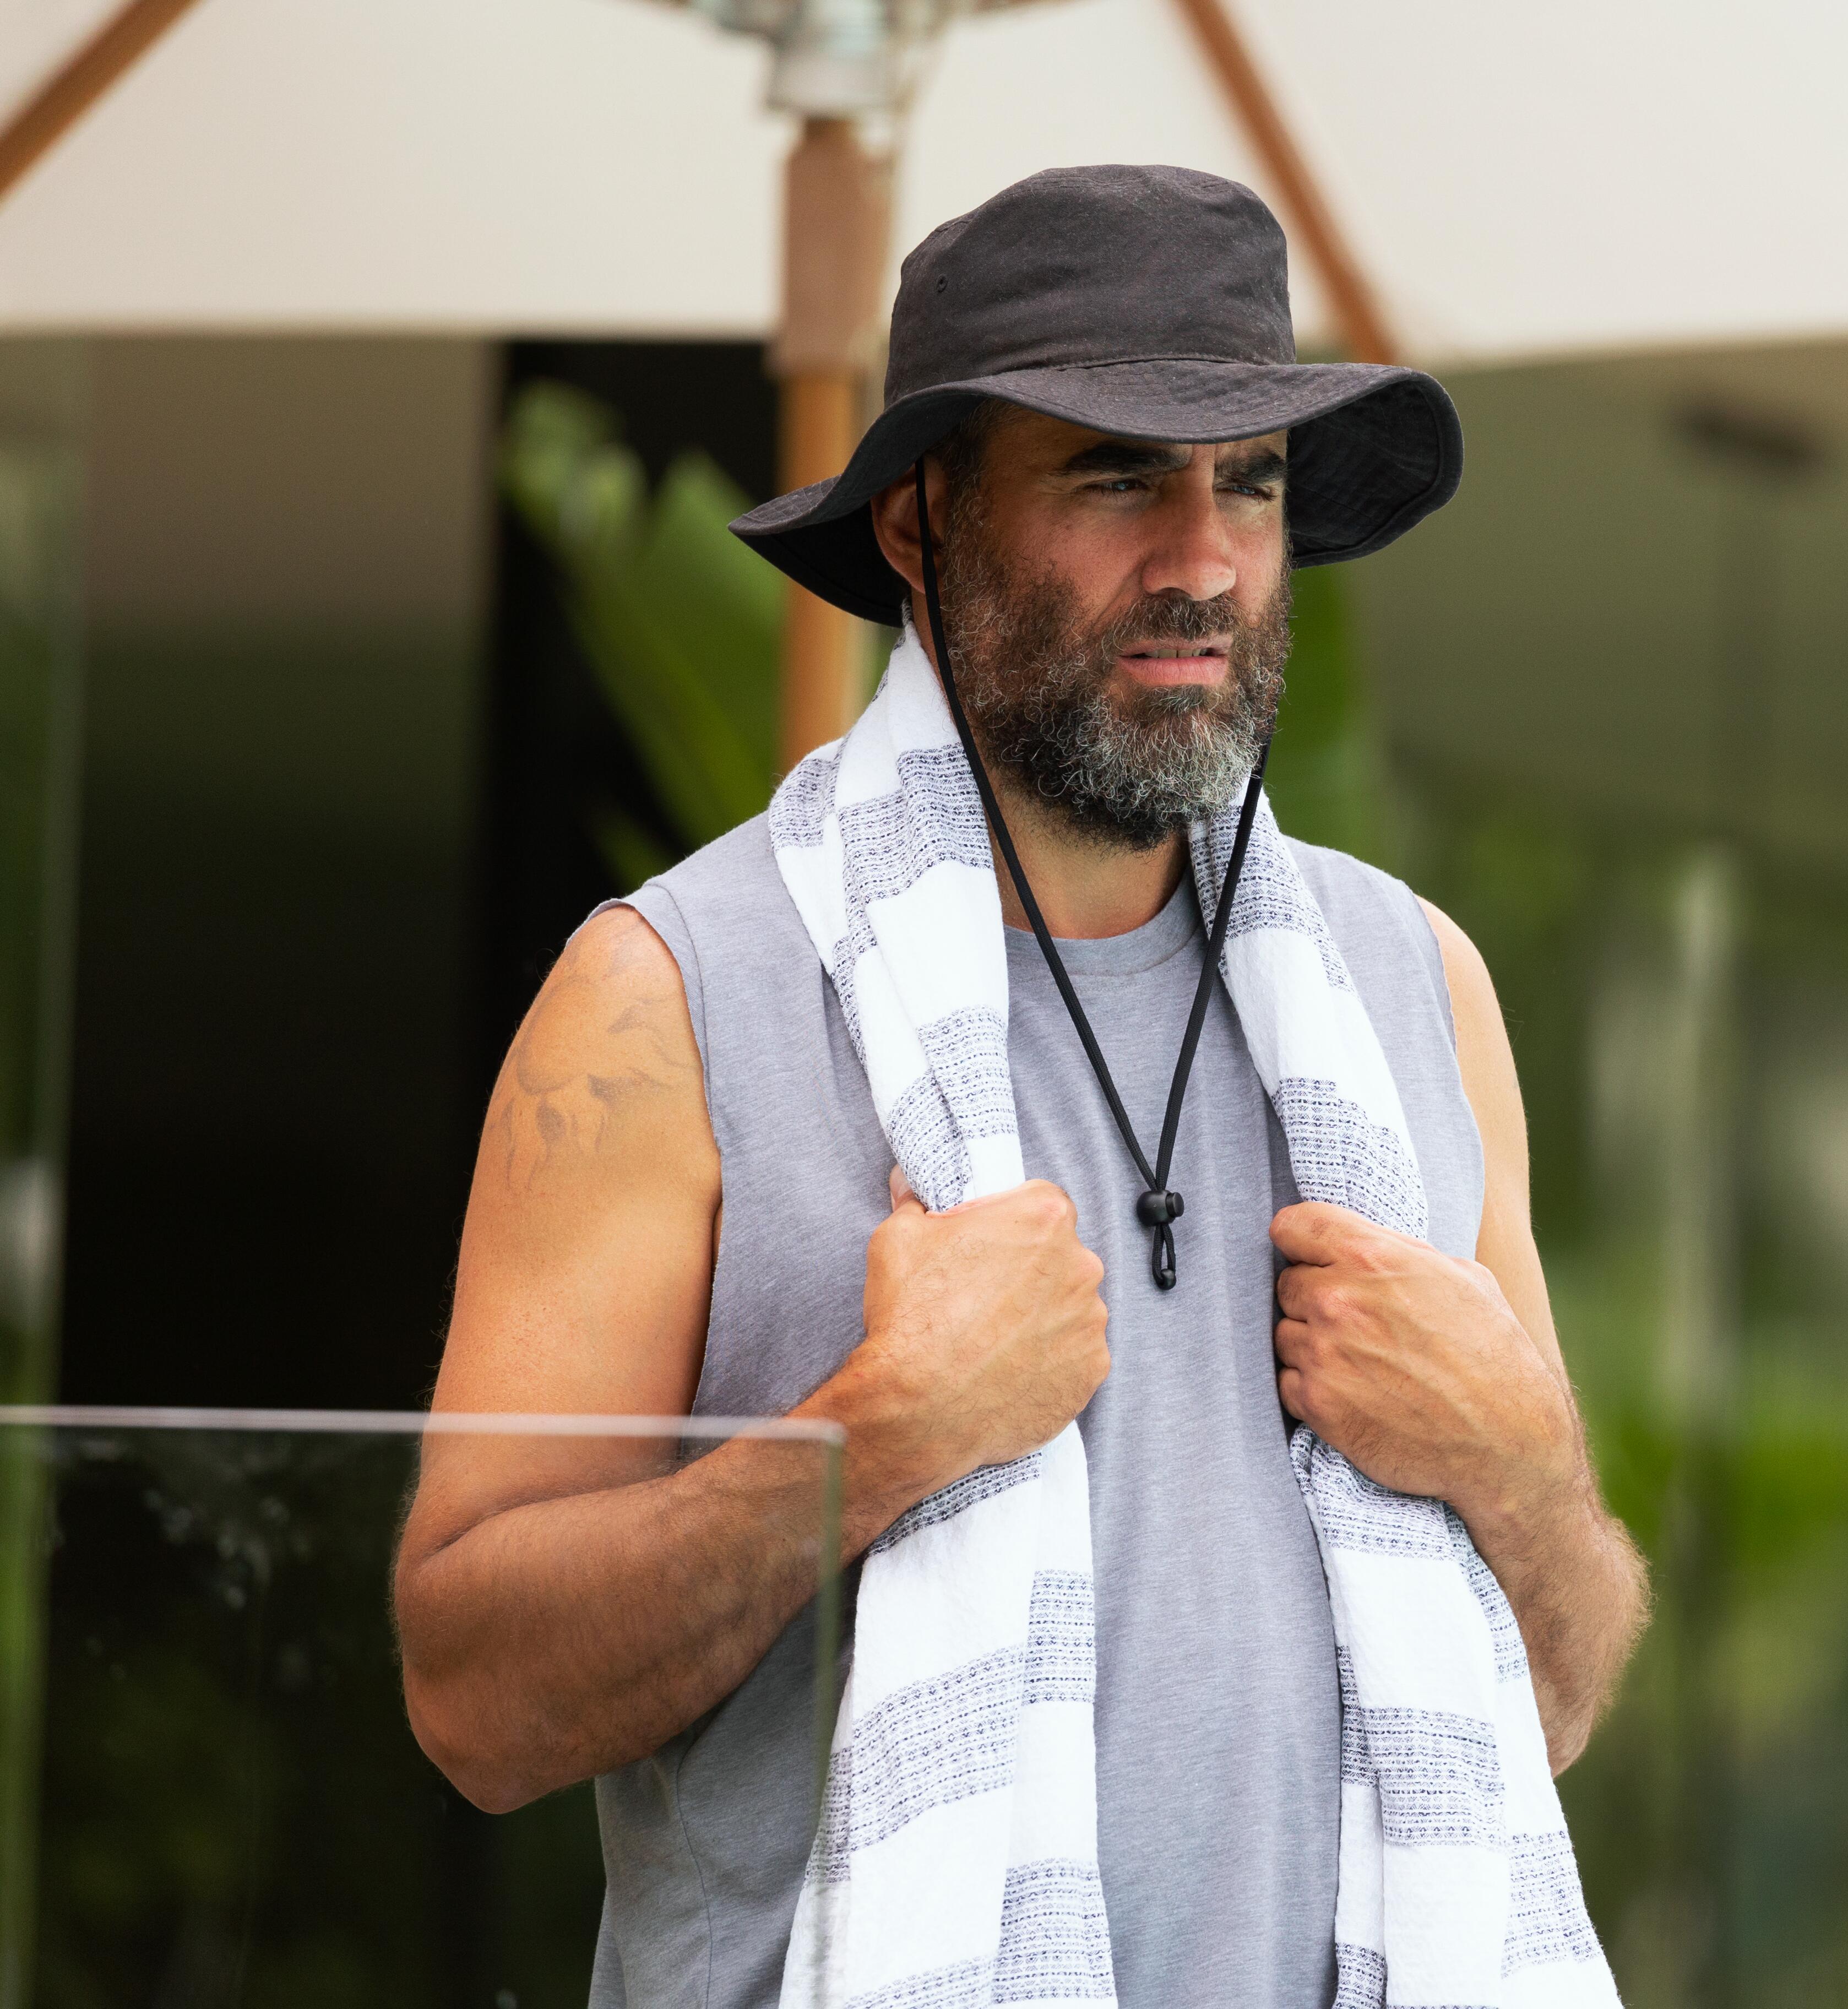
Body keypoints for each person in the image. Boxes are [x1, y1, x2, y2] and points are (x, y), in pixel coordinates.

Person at [395, 166, 1649, 2009]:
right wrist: (867, 1447)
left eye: (1252, 484)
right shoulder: (671, 1001)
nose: (1202, 560)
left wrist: (1526, 1474)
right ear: (919, 526)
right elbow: (470, 1696)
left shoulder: (1415, 997)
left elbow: (1558, 1689)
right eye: (1114, 475)